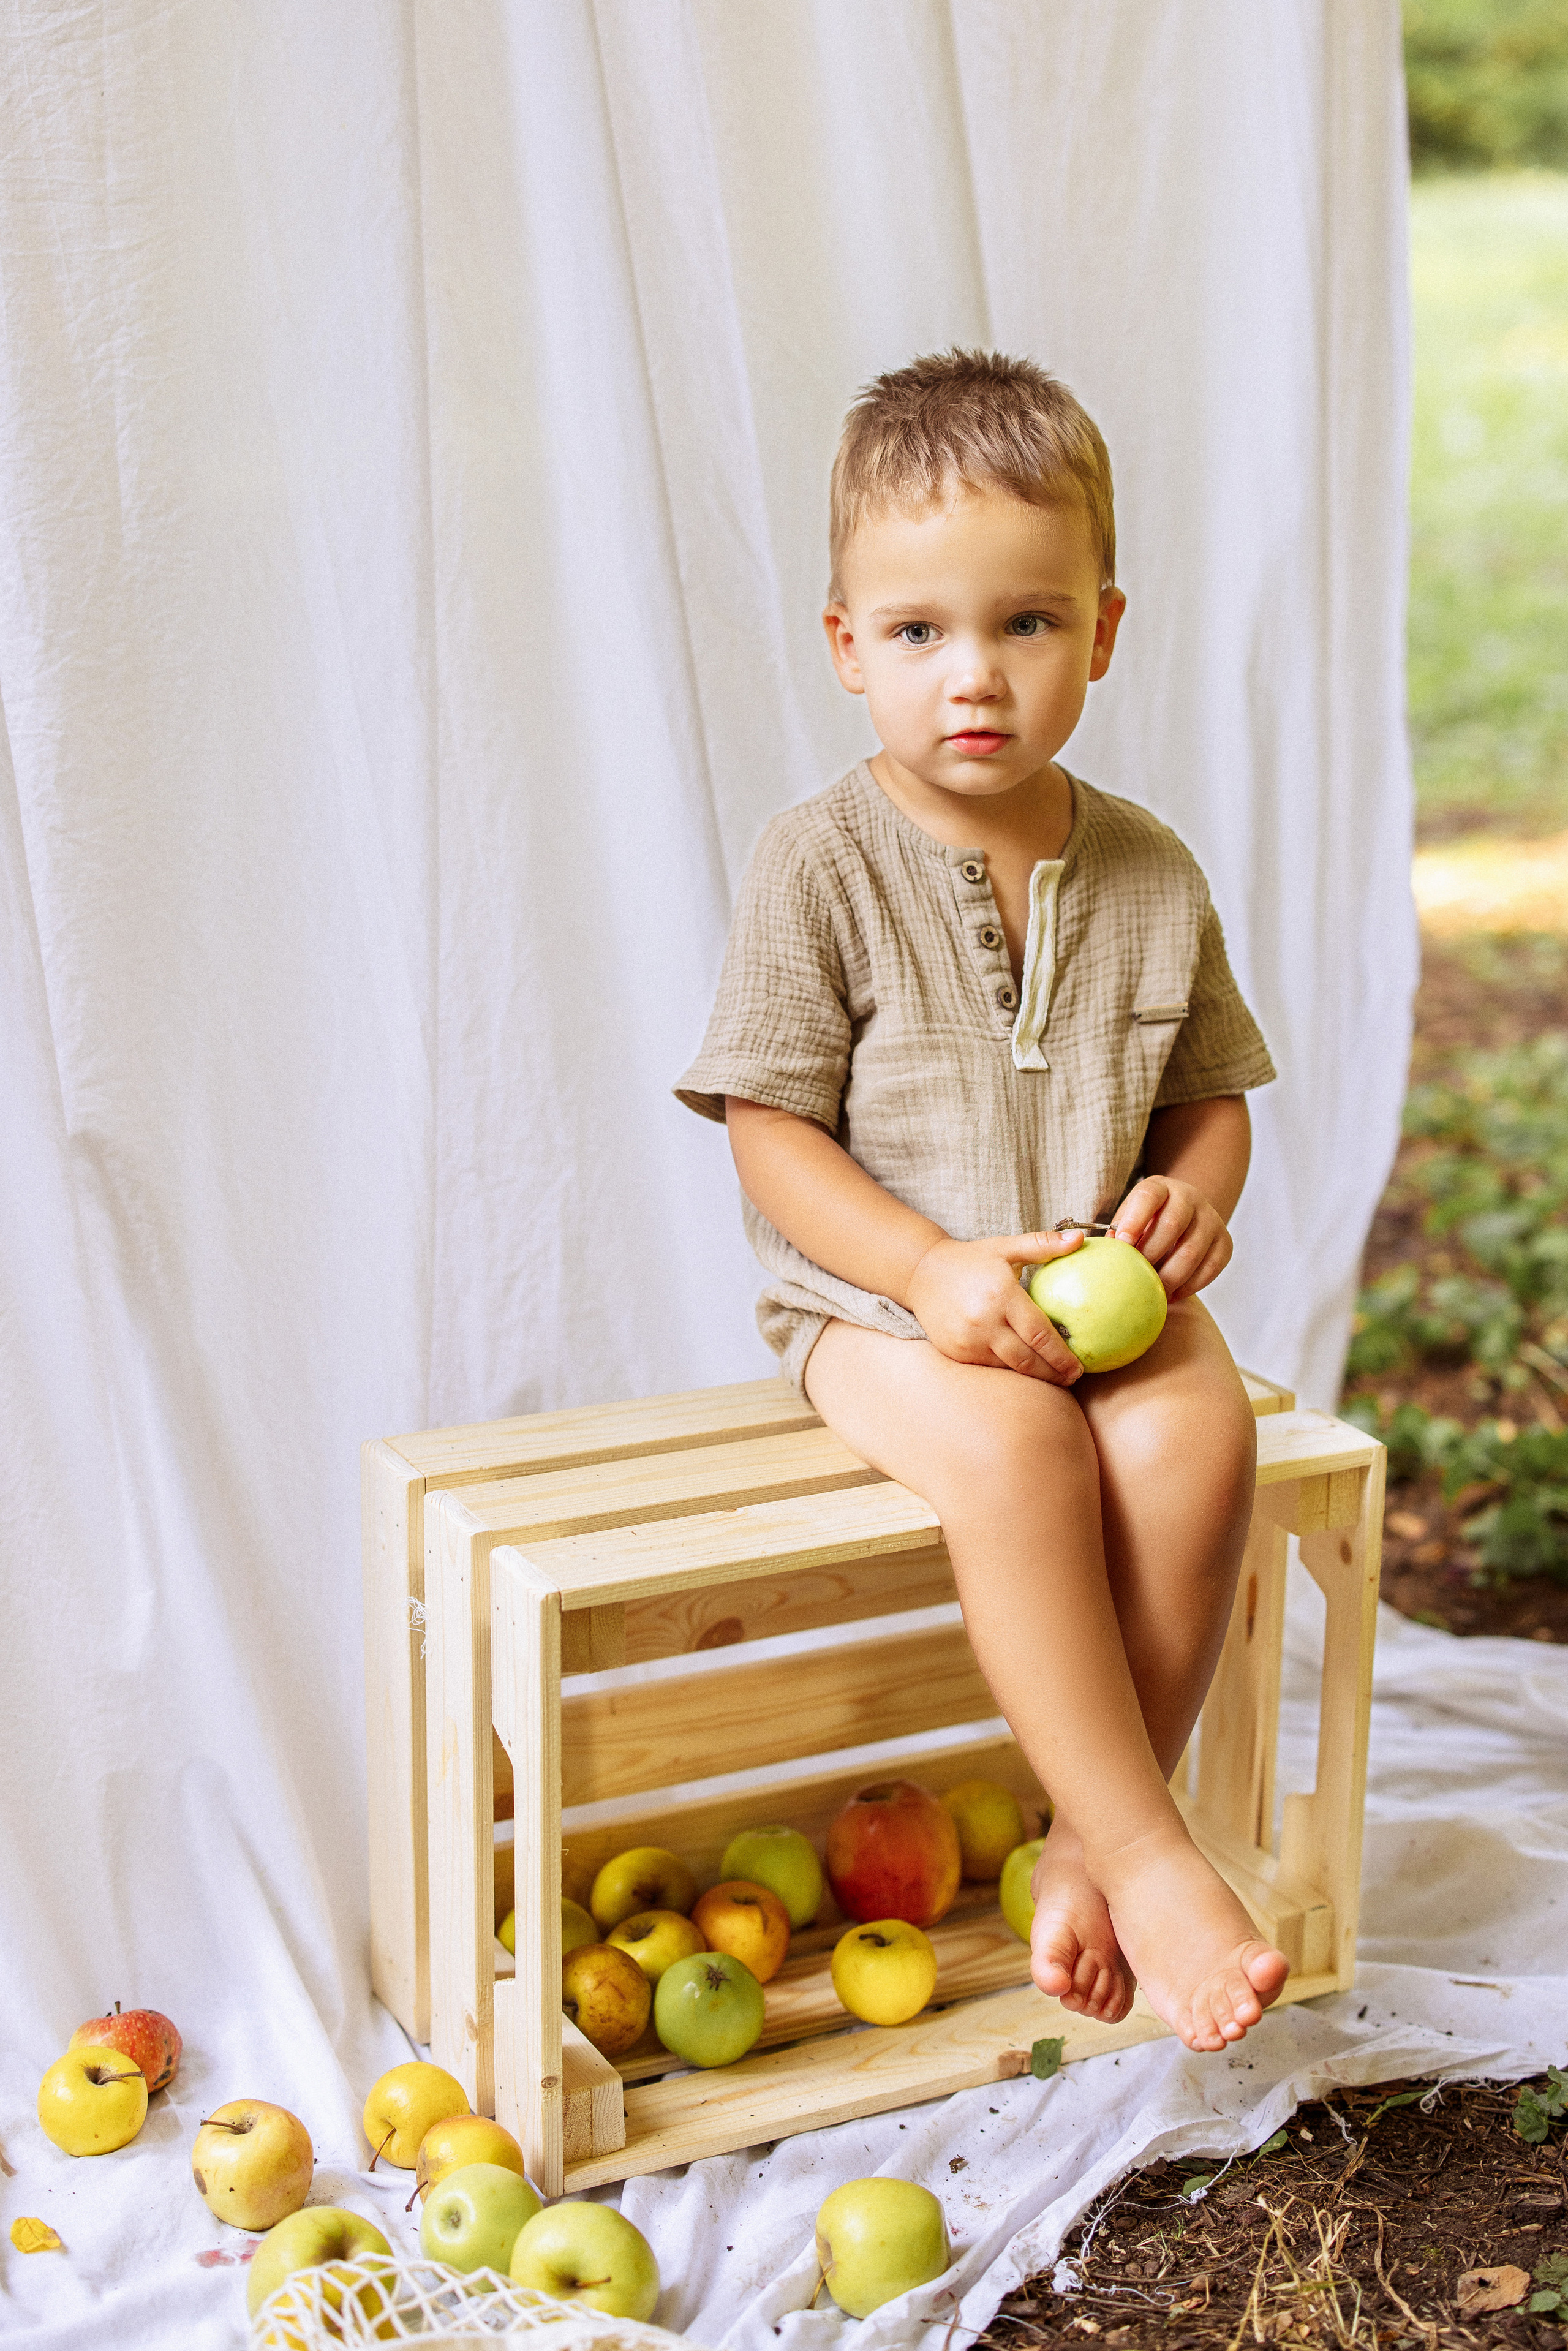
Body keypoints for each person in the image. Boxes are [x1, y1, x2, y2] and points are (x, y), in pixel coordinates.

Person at [675, 349, 1289, 2054]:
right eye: (922, 631)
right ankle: (1154, 1858)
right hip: (875, 1311)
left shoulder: (1151, 867)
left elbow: (1209, 1098)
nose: (976, 677)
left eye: (1025, 625)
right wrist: (928, 1266)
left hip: (1097, 1286)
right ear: (847, 644)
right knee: (1018, 1449)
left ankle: (1088, 1836)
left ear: (1098, 629)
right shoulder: (818, 861)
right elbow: (769, 1129)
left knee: (1198, 1435)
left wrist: (1187, 1203)